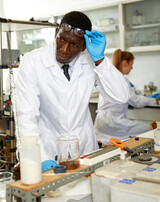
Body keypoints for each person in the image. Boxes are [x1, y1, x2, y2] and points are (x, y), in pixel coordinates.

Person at [16, 12, 130, 172]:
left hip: (85, 152)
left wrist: (100, 60)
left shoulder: (91, 61)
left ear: (84, 46)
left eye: (74, 44)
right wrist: (41, 158)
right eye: (61, 39)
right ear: (56, 33)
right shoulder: (32, 62)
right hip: (49, 152)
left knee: (88, 196)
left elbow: (121, 97)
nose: (64, 49)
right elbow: (26, 117)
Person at [94, 49, 160, 145]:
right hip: (113, 122)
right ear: (125, 63)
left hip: (101, 121)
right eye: (131, 64)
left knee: (108, 145)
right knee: (151, 127)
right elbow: (136, 101)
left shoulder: (108, 77)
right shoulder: (122, 80)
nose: (132, 68)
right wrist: (154, 100)